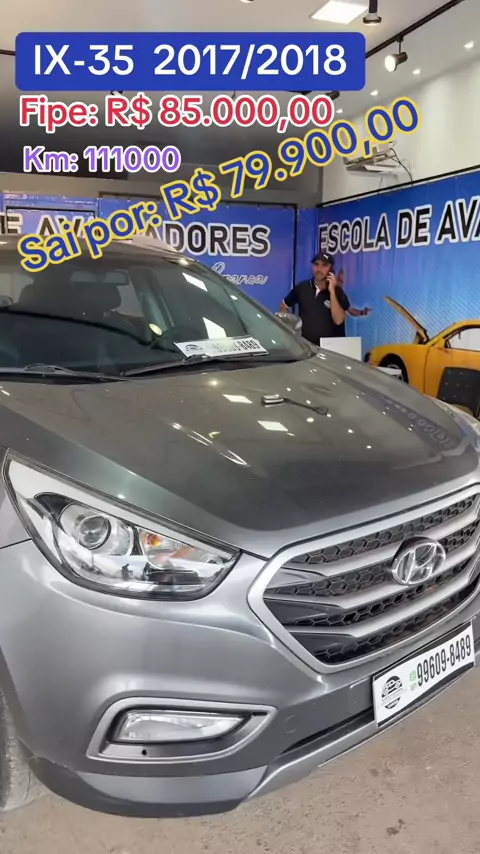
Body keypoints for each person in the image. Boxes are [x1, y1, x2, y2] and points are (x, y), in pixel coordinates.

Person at [279, 253, 349, 344]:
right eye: (316, 264)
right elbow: (284, 305)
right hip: (307, 345)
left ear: (331, 270)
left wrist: (332, 291)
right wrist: (287, 330)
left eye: (324, 265)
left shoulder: (338, 292)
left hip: (331, 347)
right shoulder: (302, 288)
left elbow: (338, 320)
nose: (319, 269)